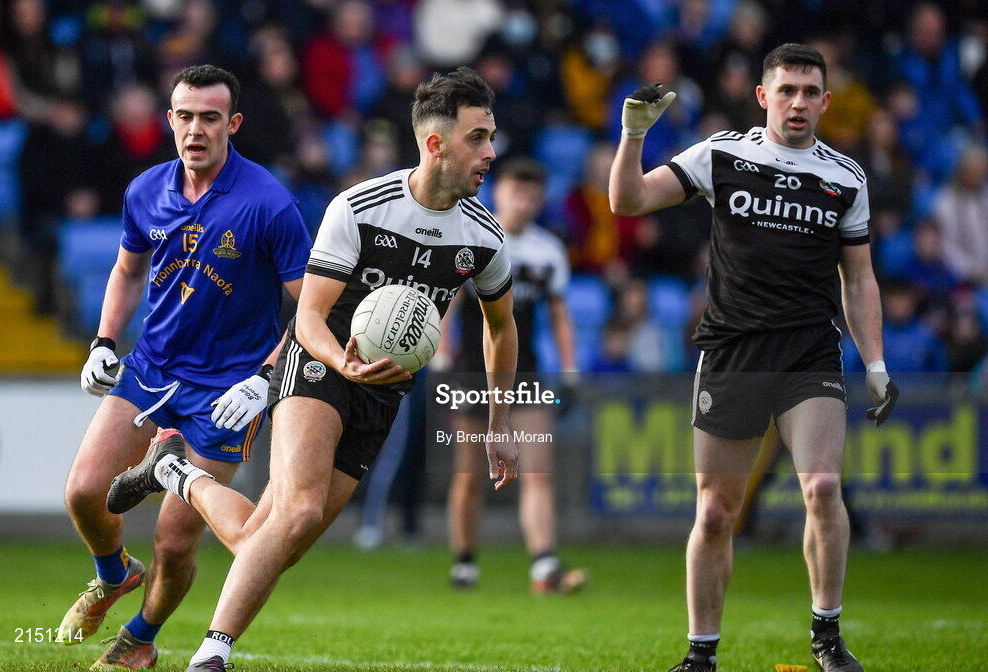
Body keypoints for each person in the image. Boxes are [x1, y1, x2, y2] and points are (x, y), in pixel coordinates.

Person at [107, 66, 519, 672]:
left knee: (272, 543)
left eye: (490, 137)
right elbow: (308, 318)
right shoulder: (360, 207)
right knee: (295, 514)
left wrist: (499, 423)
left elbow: (501, 326)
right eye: (478, 137)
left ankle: (174, 472)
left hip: (383, 393)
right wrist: (341, 361)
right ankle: (210, 657)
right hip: (320, 362)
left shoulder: (485, 237)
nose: (490, 152)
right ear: (436, 143)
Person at [609, 43, 899, 672]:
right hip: (733, 352)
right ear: (764, 96)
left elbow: (860, 280)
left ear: (826, 100)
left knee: (822, 487)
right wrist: (632, 136)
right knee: (715, 512)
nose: (798, 102)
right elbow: (628, 202)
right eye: (787, 90)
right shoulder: (722, 154)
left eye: (810, 91)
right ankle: (701, 654)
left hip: (809, 352)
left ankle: (826, 636)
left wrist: (875, 363)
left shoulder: (846, 177)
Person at [56, 64, 312, 670]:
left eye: (210, 118)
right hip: (150, 368)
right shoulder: (145, 189)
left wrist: (263, 382)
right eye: (185, 116)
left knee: (174, 541)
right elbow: (126, 271)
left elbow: (311, 310)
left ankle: (139, 639)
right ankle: (115, 573)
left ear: (234, 124)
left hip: (228, 388)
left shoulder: (269, 203)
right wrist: (102, 342)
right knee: (85, 493)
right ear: (169, 120)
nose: (196, 129)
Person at [444, 157, 586, 593]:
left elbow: (560, 317)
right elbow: (448, 303)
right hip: (470, 371)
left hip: (524, 375)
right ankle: (465, 562)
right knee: (470, 475)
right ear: (498, 192)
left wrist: (570, 368)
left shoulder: (548, 251)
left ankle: (544, 567)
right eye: (515, 193)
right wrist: (441, 356)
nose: (523, 203)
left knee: (537, 471)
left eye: (531, 195)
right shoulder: (475, 238)